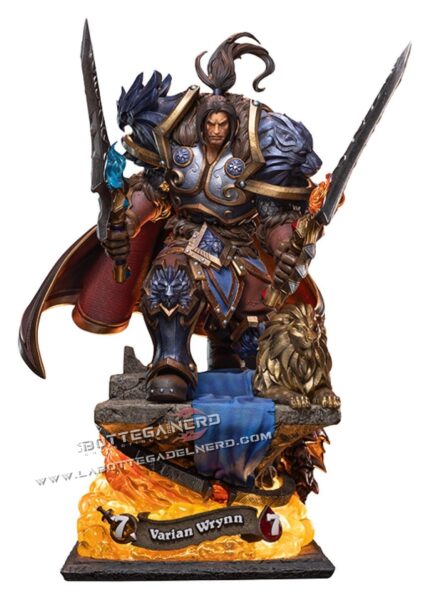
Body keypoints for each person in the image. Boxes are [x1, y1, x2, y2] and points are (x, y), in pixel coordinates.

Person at [19, 32, 323, 403]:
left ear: (232, 126)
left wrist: (288, 246)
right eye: (210, 124)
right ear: (201, 124)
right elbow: (152, 192)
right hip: (185, 239)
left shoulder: (253, 154)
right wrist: (126, 222)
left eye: (222, 125)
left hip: (239, 246)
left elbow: (273, 216)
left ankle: (242, 362)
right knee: (169, 282)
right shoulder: (179, 150)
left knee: (258, 308)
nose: (215, 131)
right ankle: (171, 363)